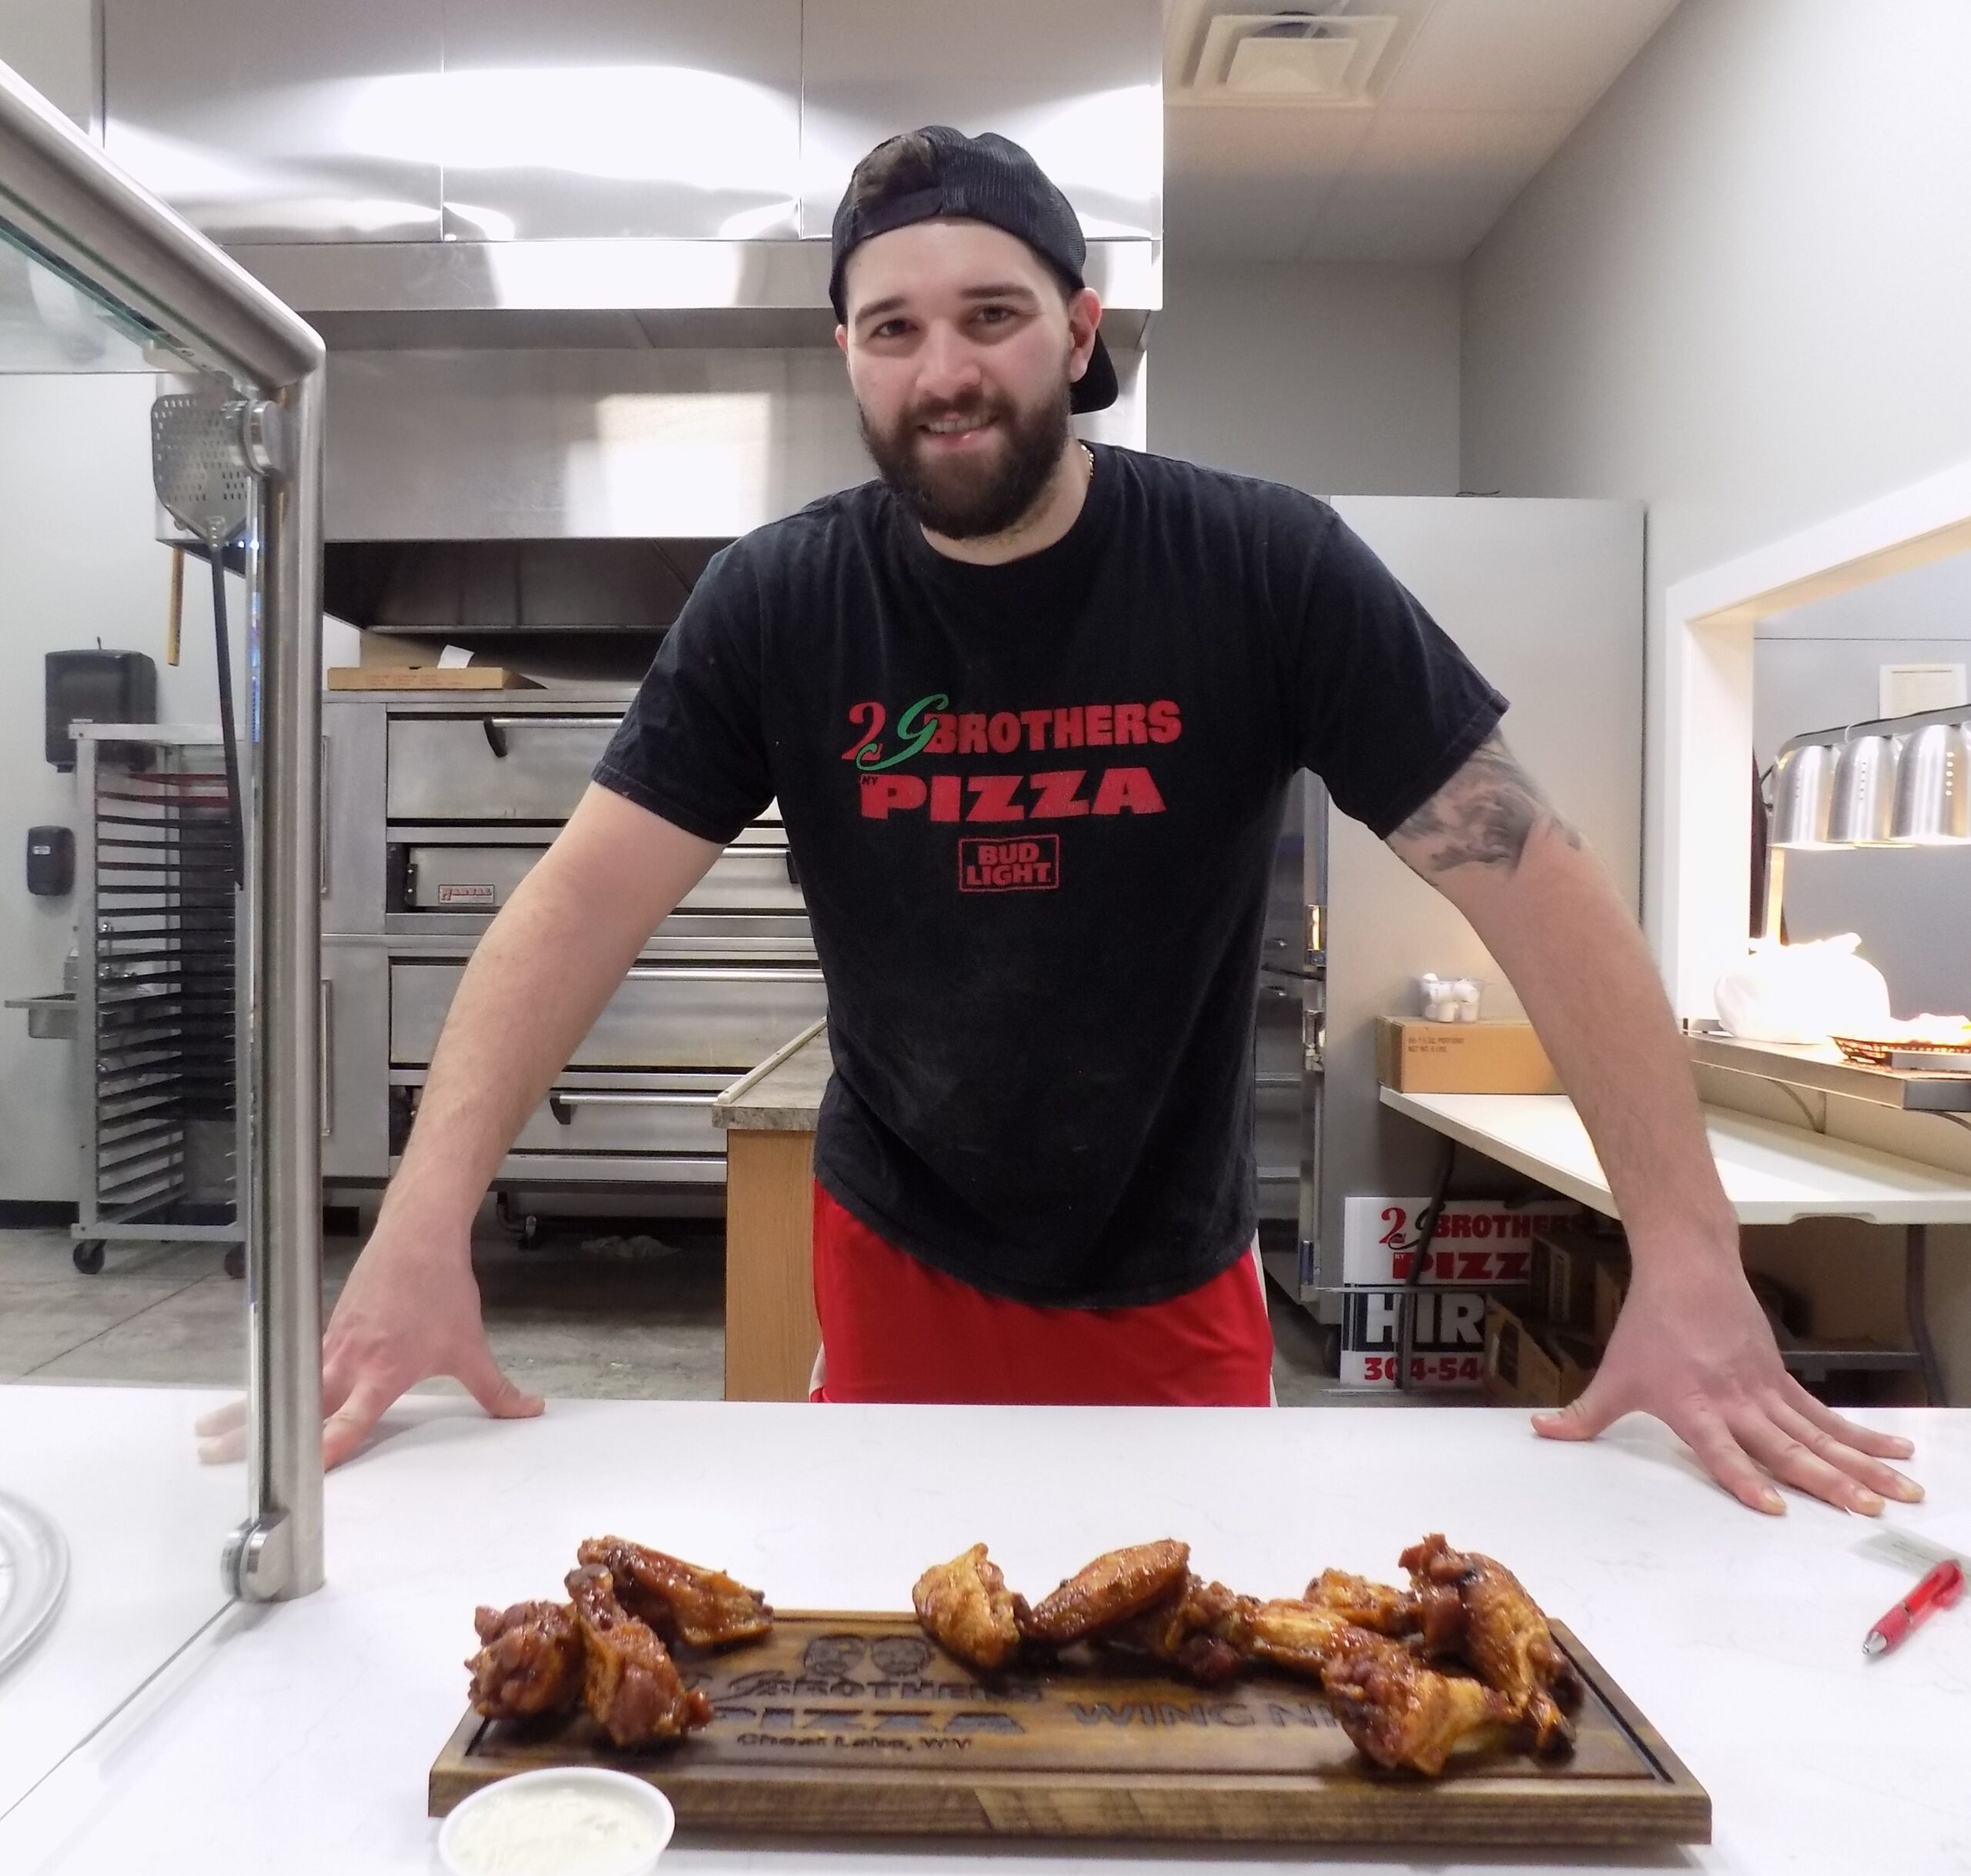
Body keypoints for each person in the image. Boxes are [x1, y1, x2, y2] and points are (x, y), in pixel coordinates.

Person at [206, 127, 1922, 1517]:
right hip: (894, 1260)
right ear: (847, 358)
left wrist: (1687, 1263)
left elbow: (1536, 886)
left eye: (990, 314)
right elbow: (572, 911)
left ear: (1080, 331)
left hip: (1169, 1281)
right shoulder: (778, 604)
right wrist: (418, 1232)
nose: (943, 370)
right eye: (893, 328)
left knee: (1188, 1689)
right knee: (891, 1648)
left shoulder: (1262, 570)